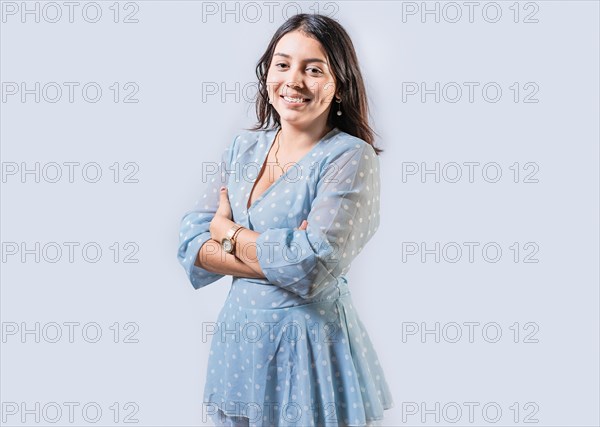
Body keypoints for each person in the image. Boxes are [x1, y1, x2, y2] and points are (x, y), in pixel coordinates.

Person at [177, 13, 394, 427]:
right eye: (282, 64)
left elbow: (312, 268)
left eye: (314, 69)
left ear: (339, 84)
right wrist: (276, 253)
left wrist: (228, 233)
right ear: (267, 74)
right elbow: (191, 241)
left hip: (309, 350)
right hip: (239, 347)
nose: (293, 80)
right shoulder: (243, 148)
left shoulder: (348, 157)